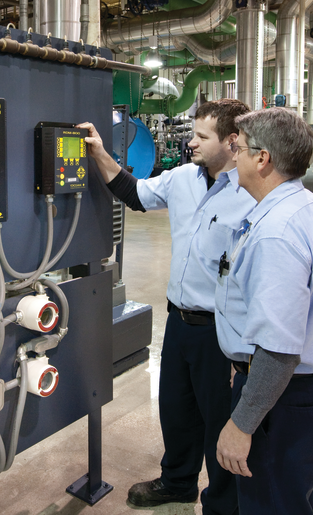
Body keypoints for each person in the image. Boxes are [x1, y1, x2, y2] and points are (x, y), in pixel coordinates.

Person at [79, 99, 256, 515]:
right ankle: (178, 481)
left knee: (220, 422)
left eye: (201, 136)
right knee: (176, 410)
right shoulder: (181, 179)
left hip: (223, 332)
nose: (190, 141)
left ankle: (222, 502)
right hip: (178, 321)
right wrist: (99, 151)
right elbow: (134, 193)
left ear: (233, 141)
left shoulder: (252, 194)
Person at [213, 108, 313, 514]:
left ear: (263, 159)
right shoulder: (311, 207)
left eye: (240, 148)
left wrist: (242, 423)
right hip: (305, 388)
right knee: (289, 499)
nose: (234, 157)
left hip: (279, 397)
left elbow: (279, 348)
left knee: (269, 504)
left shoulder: (276, 234)